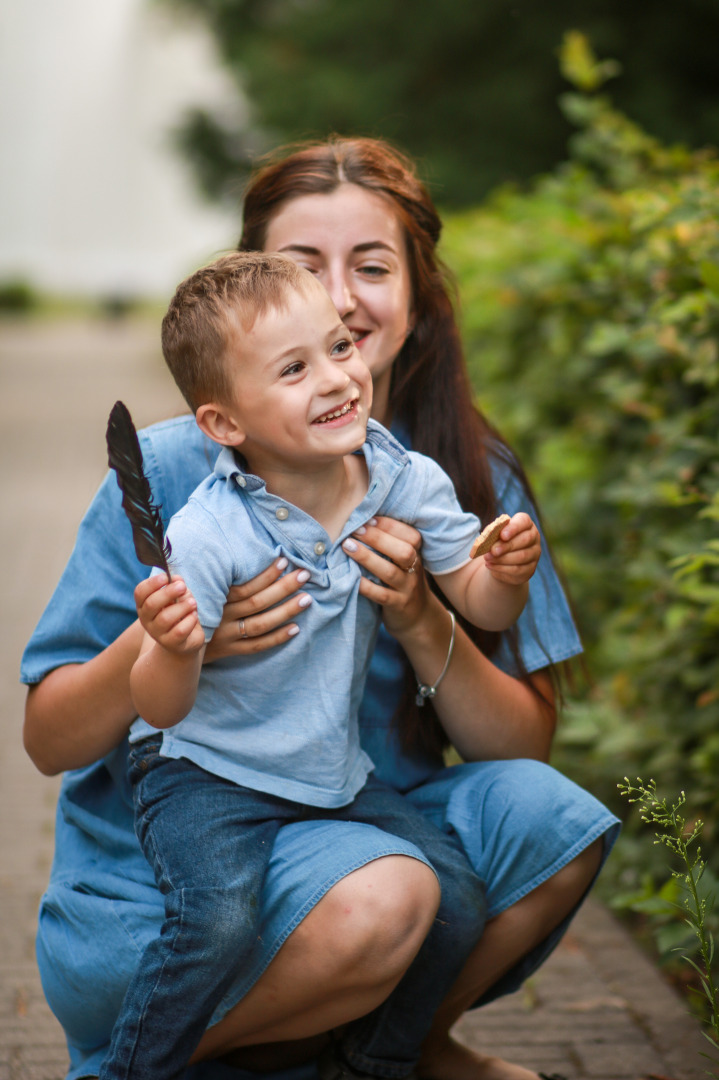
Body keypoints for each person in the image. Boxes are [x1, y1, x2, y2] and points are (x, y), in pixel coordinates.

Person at [22, 136, 620, 1080]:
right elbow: (49, 740)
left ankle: (391, 1054)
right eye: (304, 266)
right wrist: (176, 640)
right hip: (182, 850)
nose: (340, 298)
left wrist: (427, 617)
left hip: (340, 803)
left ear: (418, 300)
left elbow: (517, 742)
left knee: (532, 825)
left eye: (371, 268)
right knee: (382, 895)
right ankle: (143, 1063)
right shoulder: (180, 479)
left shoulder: (441, 473)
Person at [100, 249, 540, 1080]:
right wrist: (171, 643)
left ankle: (372, 1062)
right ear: (224, 423)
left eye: (339, 348)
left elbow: (479, 604)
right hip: (203, 770)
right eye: (294, 368)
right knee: (217, 922)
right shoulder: (209, 532)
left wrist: (501, 575)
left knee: (455, 901)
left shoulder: (399, 477)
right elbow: (160, 708)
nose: (337, 378)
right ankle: (129, 1070)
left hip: (329, 769)